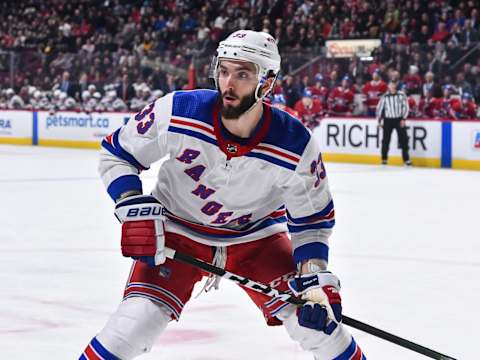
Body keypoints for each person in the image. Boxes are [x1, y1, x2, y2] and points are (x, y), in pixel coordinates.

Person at [80, 30, 366, 360]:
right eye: (224, 70)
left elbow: (312, 220)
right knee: (130, 329)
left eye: (243, 74)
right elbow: (117, 153)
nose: (228, 84)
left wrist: (313, 280)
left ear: (267, 81)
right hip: (178, 233)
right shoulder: (178, 110)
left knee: (324, 332)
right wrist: (130, 201)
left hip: (256, 240)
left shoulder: (295, 143)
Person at [376, 81, 412, 166]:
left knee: (404, 140)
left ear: (395, 86)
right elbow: (379, 109)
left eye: (393, 85)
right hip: (387, 120)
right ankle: (384, 159)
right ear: (388, 86)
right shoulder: (384, 96)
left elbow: (406, 107)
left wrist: (403, 118)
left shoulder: (401, 95)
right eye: (390, 85)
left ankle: (406, 159)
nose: (392, 86)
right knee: (385, 140)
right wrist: (379, 121)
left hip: (399, 120)